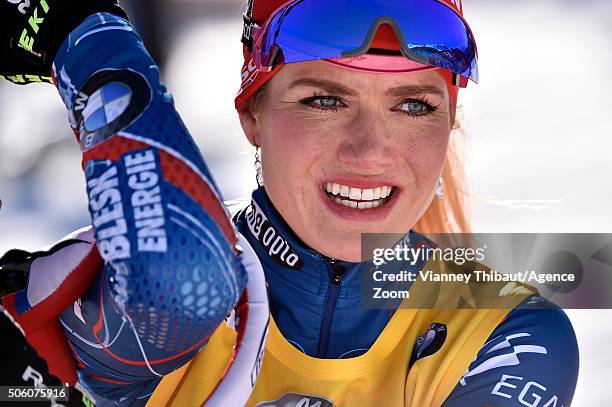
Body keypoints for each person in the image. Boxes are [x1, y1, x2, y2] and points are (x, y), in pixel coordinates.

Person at [0, 0, 579, 406]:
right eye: (325, 100)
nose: (370, 150)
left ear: (451, 121)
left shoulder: (506, 332)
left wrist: (83, 31)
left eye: (414, 105)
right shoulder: (167, 295)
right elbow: (177, 272)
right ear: (252, 113)